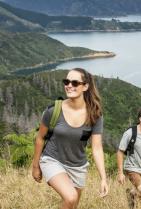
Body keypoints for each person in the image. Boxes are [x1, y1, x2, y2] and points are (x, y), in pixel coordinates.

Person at [32, 68, 108, 209]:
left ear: (85, 86)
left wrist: (103, 178)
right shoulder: (53, 111)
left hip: (78, 167)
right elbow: (40, 138)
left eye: (74, 83)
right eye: (66, 82)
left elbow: (97, 148)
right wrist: (35, 166)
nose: (69, 85)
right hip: (52, 159)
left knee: (72, 205)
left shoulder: (95, 114)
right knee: (71, 197)